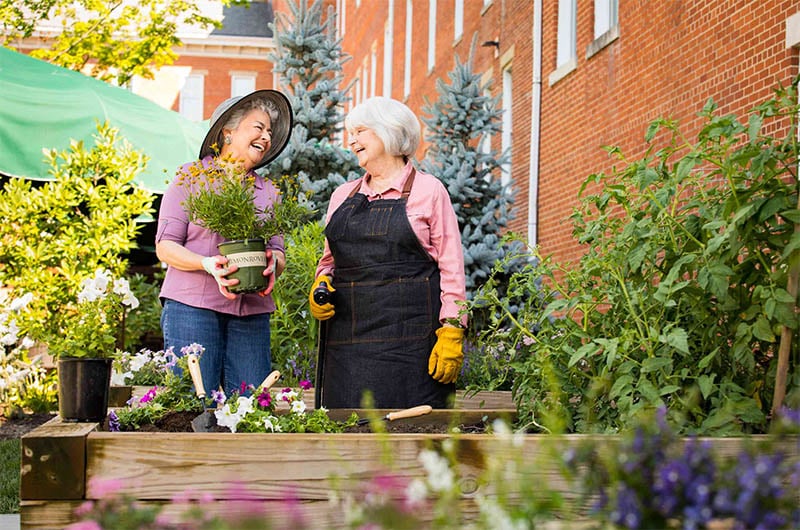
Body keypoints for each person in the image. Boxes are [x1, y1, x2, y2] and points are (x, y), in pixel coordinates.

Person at [309, 96, 467, 409]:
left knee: (414, 443)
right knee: (347, 438)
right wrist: (320, 284)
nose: (350, 140)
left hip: (411, 348)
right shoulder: (343, 195)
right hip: (348, 347)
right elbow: (329, 262)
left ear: (389, 131)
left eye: (360, 131)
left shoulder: (429, 191)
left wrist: (452, 329)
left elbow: (452, 268)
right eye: (349, 133)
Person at [155, 89, 293, 395]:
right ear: (228, 132)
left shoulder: (268, 192)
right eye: (258, 127)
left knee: (251, 407)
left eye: (270, 131)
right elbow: (165, 246)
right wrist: (206, 264)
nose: (266, 136)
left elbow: (278, 252)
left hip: (252, 311)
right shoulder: (190, 178)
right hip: (193, 307)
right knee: (190, 402)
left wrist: (273, 263)